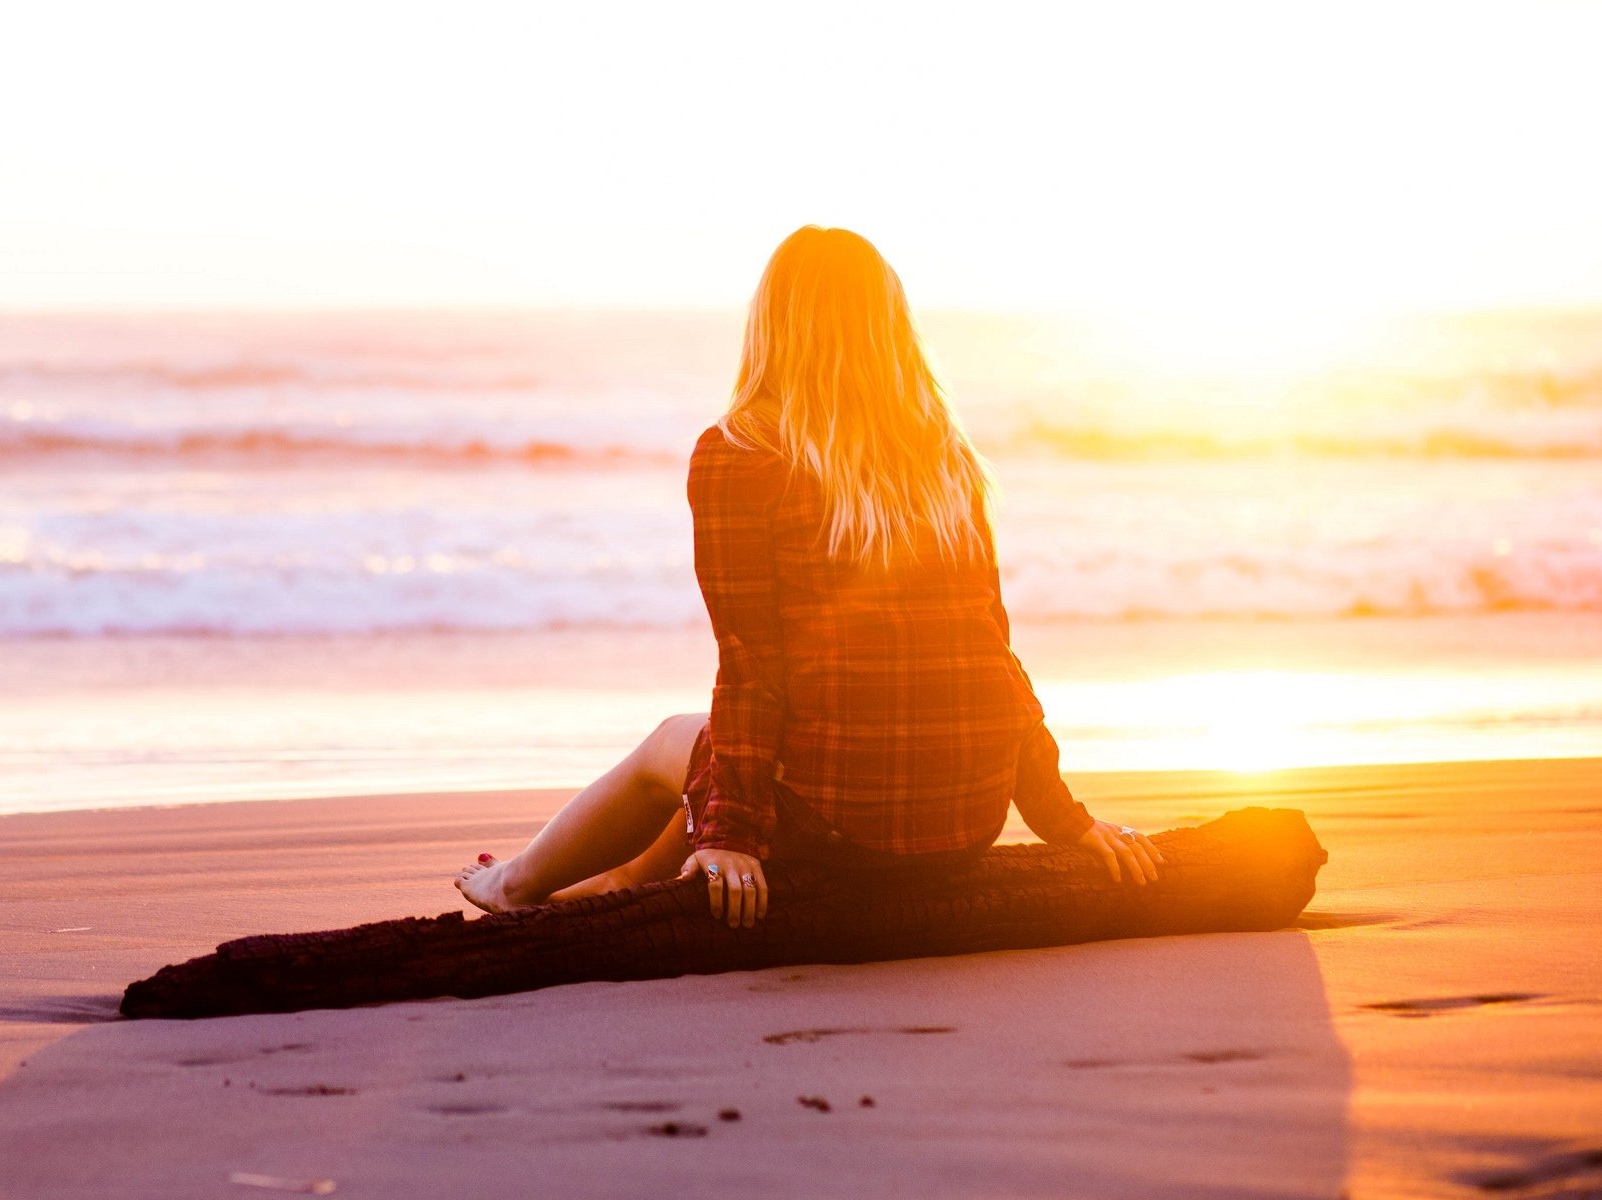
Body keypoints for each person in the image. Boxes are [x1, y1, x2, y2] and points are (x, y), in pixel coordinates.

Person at [456, 225, 1160, 928]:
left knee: (671, 740)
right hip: (964, 822)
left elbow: (752, 664)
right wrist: (1062, 818)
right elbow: (991, 648)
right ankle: (633, 878)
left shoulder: (742, 454)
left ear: (772, 324)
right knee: (742, 745)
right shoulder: (946, 454)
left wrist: (733, 834)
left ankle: (513, 886)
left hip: (840, 832)